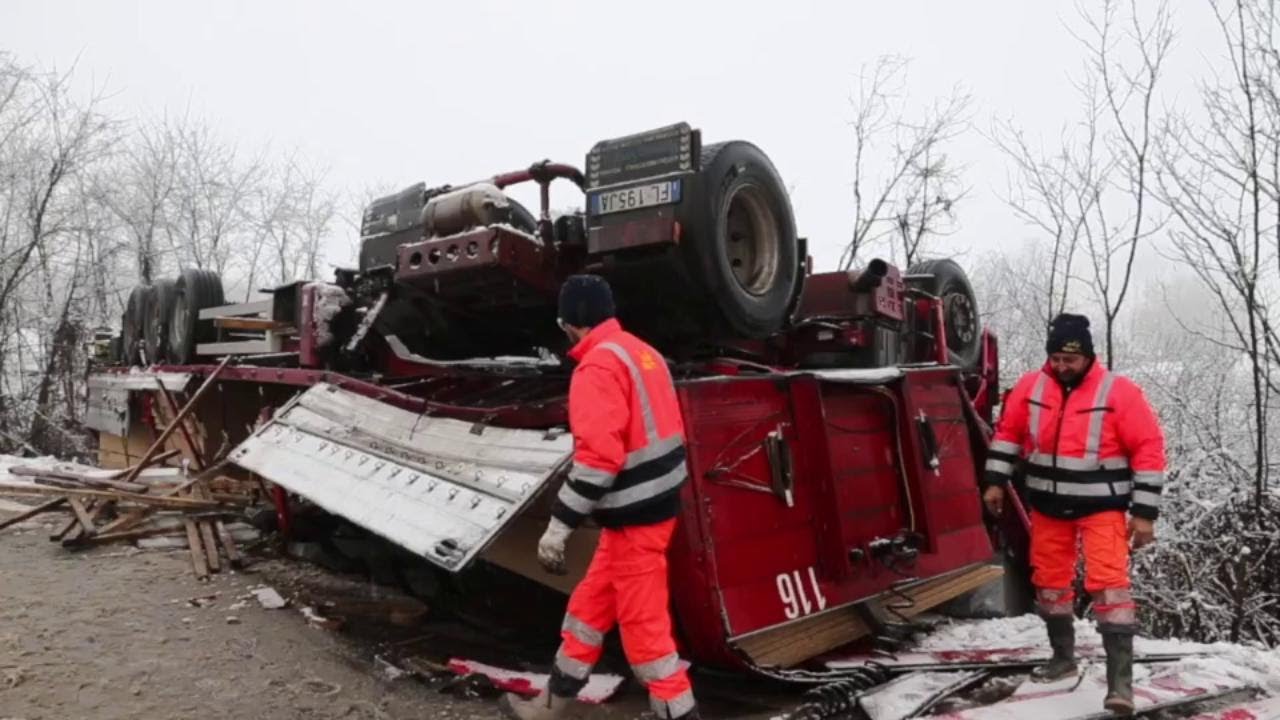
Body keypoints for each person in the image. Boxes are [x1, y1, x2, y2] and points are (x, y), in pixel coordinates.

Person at [502, 274, 698, 720]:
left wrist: (558, 527)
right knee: (588, 608)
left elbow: (598, 461)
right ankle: (551, 705)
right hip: (648, 511)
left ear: (570, 322)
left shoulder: (596, 369)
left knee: (646, 636)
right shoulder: (643, 354)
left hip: (635, 518)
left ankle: (680, 713)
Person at [981, 313, 1165, 716]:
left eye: (1071, 360)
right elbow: (1008, 436)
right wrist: (995, 481)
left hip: (1102, 509)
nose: (1063, 367)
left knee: (1109, 586)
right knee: (1048, 582)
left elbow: (1148, 451)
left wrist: (1144, 514)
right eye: (1057, 359)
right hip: (1048, 507)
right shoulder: (1031, 386)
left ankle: (1120, 683)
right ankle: (1062, 657)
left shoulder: (1120, 392)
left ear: (1087, 356)